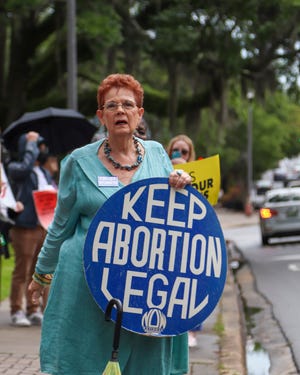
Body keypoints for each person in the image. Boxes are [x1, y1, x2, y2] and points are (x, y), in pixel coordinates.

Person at [28, 73, 192, 375]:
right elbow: (61, 226)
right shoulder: (77, 162)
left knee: (145, 363)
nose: (120, 111)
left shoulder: (157, 154)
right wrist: (41, 276)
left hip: (146, 285)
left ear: (139, 114)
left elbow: (176, 216)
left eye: (128, 105)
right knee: (89, 363)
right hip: (90, 285)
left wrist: (181, 184)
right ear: (100, 116)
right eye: (111, 105)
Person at [7, 131, 56, 327]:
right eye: (37, 146)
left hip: (42, 226)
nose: (40, 150)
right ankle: (17, 309)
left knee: (40, 269)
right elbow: (25, 168)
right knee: (22, 269)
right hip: (25, 226)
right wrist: (29, 145)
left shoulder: (43, 172)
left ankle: (34, 309)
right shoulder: (16, 168)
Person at [166, 134, 202, 348]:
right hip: (168, 238)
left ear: (191, 155)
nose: (179, 155)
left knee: (190, 286)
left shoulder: (198, 178)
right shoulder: (159, 172)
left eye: (184, 152)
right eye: (175, 151)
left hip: (189, 238)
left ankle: (192, 330)